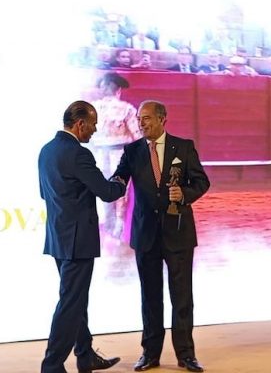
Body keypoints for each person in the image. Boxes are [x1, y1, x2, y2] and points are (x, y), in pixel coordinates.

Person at [112, 101, 210, 372]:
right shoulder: (132, 151)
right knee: (150, 297)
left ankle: (186, 355)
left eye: (146, 118)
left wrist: (186, 194)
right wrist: (107, 186)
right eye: (139, 119)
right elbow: (120, 178)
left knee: (182, 296)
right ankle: (150, 353)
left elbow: (202, 181)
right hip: (146, 235)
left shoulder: (184, 147)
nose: (141, 123)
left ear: (162, 119)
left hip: (178, 233)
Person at [39, 101, 126, 373]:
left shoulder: (46, 150)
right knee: (71, 303)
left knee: (75, 299)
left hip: (58, 237)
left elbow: (44, 193)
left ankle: (85, 354)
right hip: (78, 241)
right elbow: (107, 192)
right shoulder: (79, 154)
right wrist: (122, 179)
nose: (95, 129)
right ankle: (52, 365)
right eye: (93, 124)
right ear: (80, 124)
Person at [90, 73, 142, 239]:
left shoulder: (91, 109)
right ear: (118, 90)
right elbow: (137, 136)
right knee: (120, 190)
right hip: (119, 155)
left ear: (102, 90)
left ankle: (105, 224)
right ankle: (118, 226)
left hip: (97, 155)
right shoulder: (126, 109)